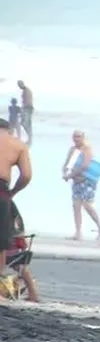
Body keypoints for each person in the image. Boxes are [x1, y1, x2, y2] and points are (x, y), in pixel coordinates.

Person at [0, 118, 32, 276]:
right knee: (1, 242)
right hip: (1, 191)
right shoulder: (18, 145)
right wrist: (13, 192)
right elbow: (26, 176)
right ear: (10, 130)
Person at [61, 130, 100, 240]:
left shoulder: (87, 148)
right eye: (75, 136)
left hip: (87, 181)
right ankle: (78, 232)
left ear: (83, 137)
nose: (76, 138)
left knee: (87, 205)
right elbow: (67, 163)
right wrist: (65, 173)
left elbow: (85, 166)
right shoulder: (72, 149)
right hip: (76, 181)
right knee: (76, 206)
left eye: (79, 136)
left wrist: (70, 176)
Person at [16, 81, 33, 145]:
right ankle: (29, 137)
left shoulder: (26, 91)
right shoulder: (26, 90)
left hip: (27, 108)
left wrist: (23, 109)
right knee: (26, 123)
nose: (19, 86)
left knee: (25, 123)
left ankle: (29, 136)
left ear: (22, 84)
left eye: (19, 85)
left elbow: (27, 101)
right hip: (28, 108)